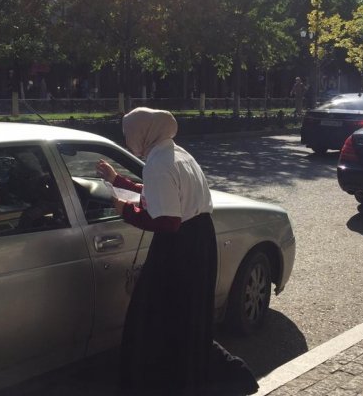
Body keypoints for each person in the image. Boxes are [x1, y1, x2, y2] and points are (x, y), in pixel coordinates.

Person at [96, 107, 257, 396]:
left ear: (143, 132)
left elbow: (166, 221)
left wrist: (124, 210)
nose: (127, 139)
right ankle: (218, 376)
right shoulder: (177, 153)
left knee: (156, 316)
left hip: (178, 248)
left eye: (128, 133)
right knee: (186, 317)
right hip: (198, 241)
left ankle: (161, 382)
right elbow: (159, 194)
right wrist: (117, 180)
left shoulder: (158, 163)